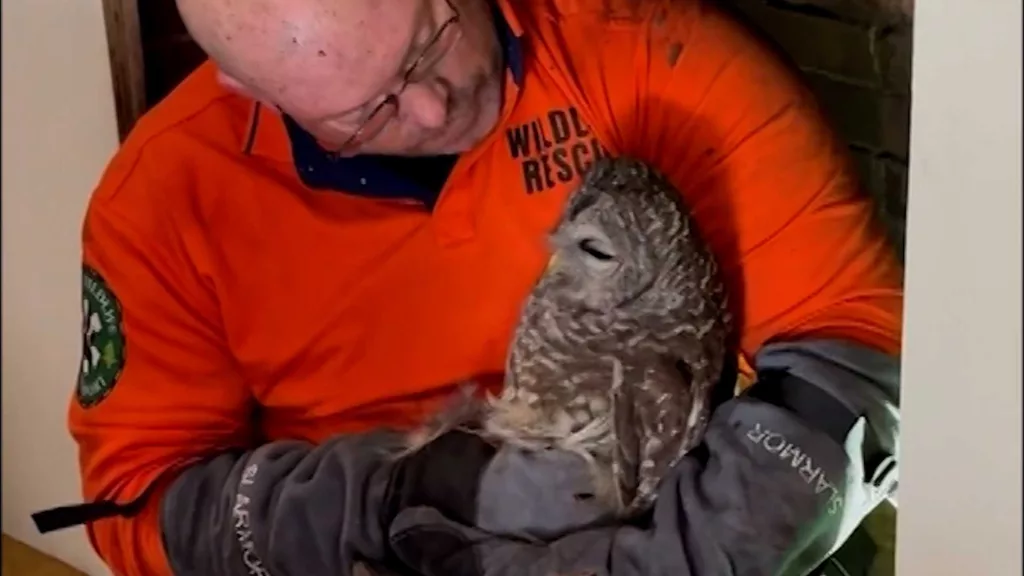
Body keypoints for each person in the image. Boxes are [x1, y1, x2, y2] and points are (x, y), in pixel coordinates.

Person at [31, 0, 903, 574]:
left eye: (431, 40)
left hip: (670, 518)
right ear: (245, 90)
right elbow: (132, 505)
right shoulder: (166, 195)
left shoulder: (646, 53)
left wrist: (690, 559)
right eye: (362, 112)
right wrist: (386, 501)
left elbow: (858, 345)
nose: (433, 109)